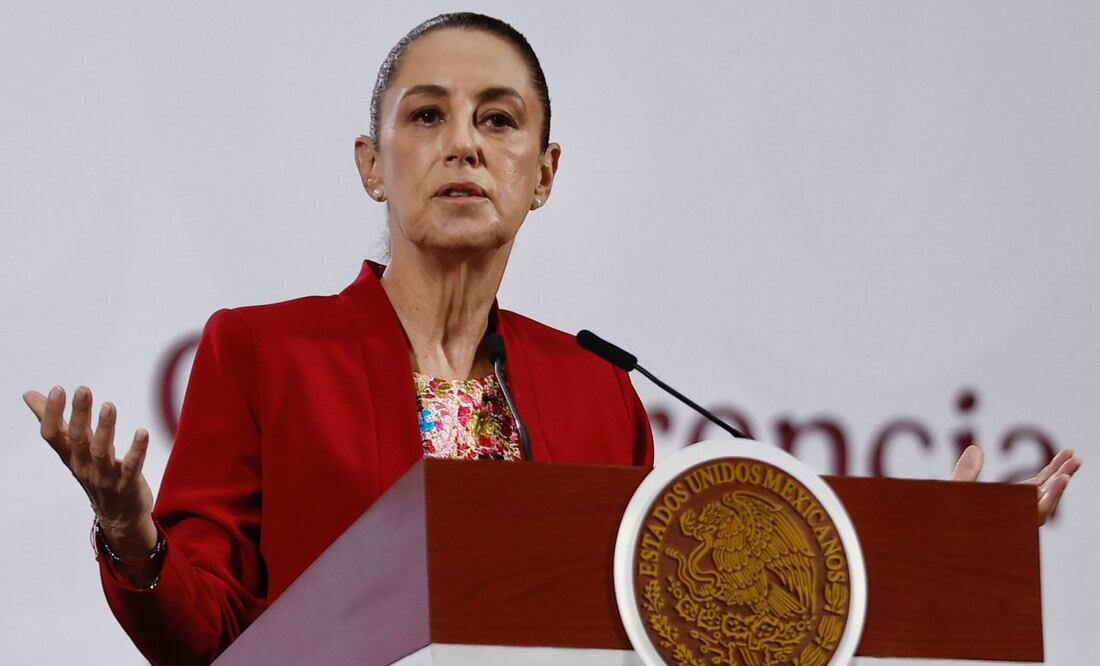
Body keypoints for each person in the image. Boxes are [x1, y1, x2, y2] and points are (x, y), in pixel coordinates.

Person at [21, 12, 1082, 666]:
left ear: (544, 172)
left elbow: (681, 617)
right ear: (369, 164)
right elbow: (204, 637)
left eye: (498, 119)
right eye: (426, 116)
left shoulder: (594, 391)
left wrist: (938, 554)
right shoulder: (260, 351)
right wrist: (131, 535)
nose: (463, 147)